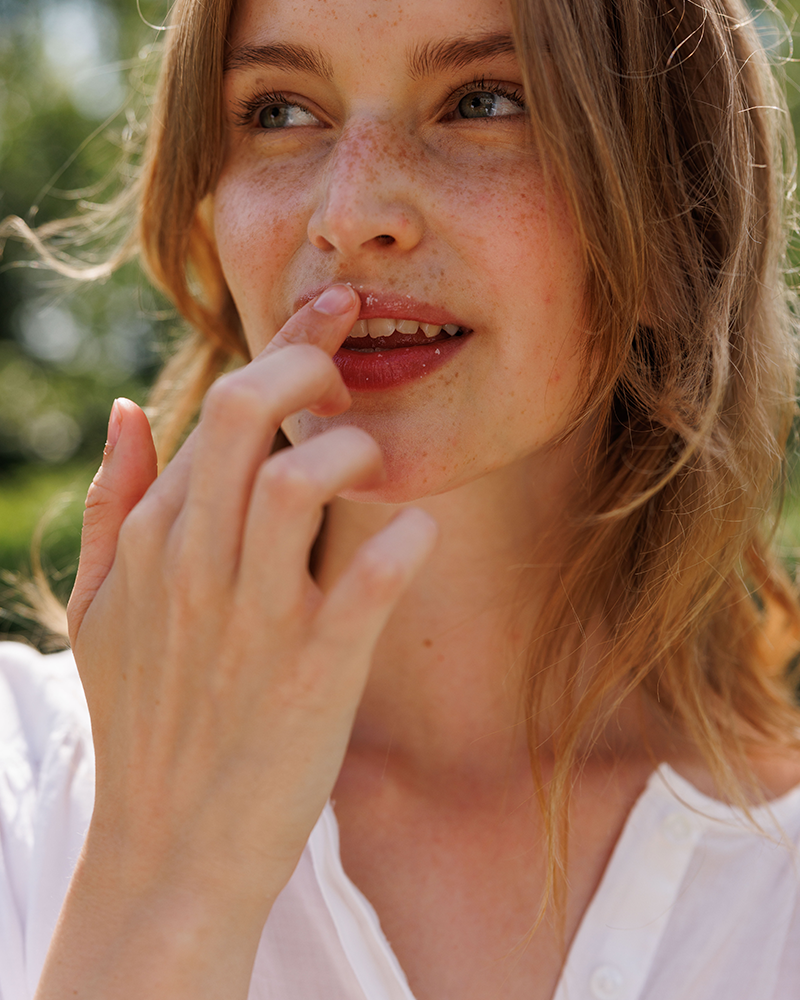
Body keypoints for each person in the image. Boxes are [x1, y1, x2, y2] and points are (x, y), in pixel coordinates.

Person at [2, 0, 800, 996]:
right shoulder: (21, 780)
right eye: (278, 112)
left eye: (484, 101)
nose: (347, 215)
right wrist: (163, 870)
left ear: (675, 222)